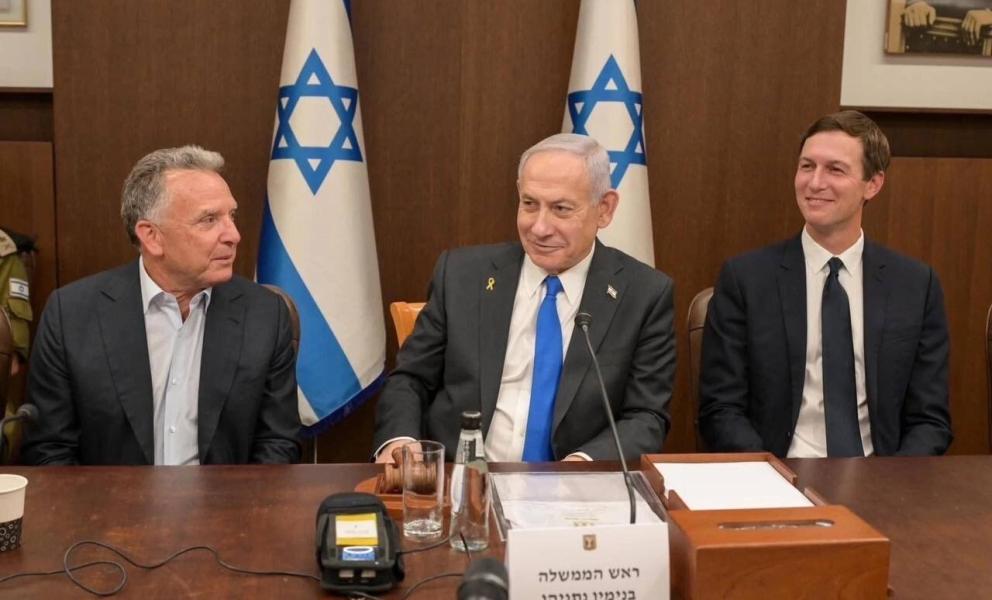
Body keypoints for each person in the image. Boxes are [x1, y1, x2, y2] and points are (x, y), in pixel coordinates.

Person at [374, 133, 675, 463]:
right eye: (530, 204)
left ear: (604, 209)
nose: (540, 228)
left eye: (561, 209)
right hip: (459, 479)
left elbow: (646, 417)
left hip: (574, 485)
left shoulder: (643, 294)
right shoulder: (462, 275)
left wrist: (580, 467)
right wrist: (400, 442)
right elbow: (410, 379)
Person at [22, 146, 301, 465]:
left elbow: (278, 443)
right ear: (151, 236)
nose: (233, 235)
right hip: (108, 497)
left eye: (231, 216)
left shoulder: (265, 315)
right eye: (209, 219)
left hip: (227, 497)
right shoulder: (72, 315)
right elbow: (48, 450)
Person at [698, 111, 952, 457]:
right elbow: (720, 410)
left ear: (873, 184)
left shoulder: (915, 286)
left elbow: (930, 420)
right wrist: (771, 475)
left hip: (882, 475)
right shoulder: (746, 279)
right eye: (807, 166)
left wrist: (893, 481)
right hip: (777, 473)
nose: (815, 183)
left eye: (835, 169)